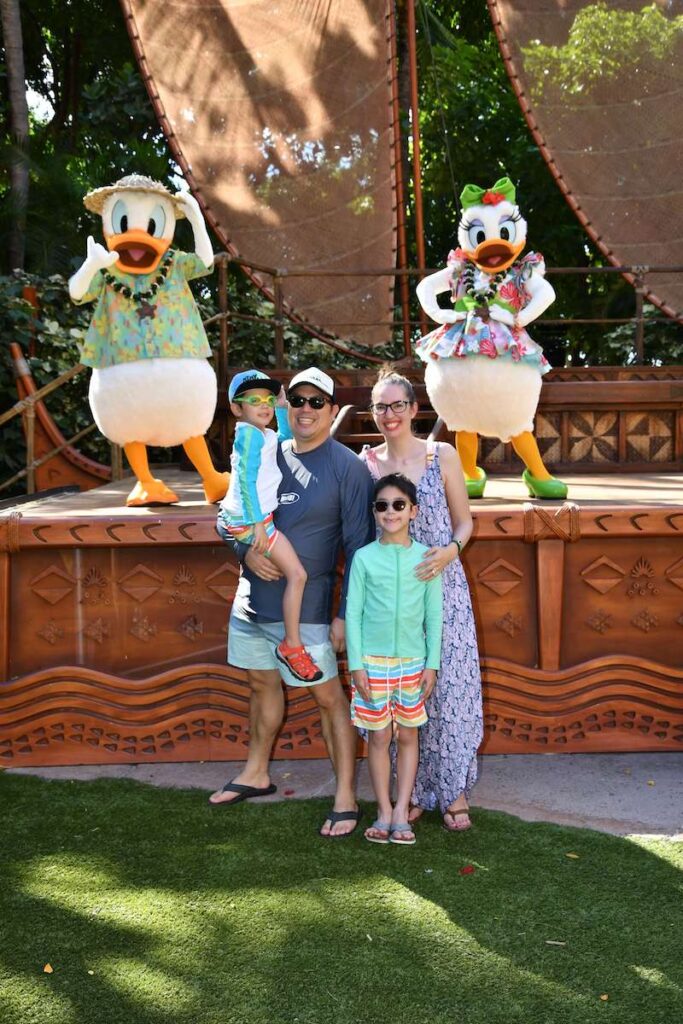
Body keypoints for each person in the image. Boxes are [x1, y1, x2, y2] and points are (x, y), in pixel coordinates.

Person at [210, 367, 375, 838]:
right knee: (261, 687)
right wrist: (244, 552)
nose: (306, 409)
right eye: (297, 400)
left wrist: (344, 613)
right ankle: (256, 773)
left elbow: (360, 549)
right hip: (251, 599)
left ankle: (345, 795)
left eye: (316, 402)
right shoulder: (263, 448)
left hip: (310, 609)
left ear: (332, 409)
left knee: (328, 699)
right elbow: (228, 516)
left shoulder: (348, 468)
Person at [359, 366, 483, 831]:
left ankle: (453, 792)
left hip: (443, 587)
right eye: (380, 407)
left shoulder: (441, 455)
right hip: (390, 601)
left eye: (397, 405)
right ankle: (405, 795)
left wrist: (450, 552)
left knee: (448, 689)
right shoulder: (365, 464)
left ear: (413, 409)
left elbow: (465, 523)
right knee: (396, 693)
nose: (389, 415)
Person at [347, 473, 442, 846]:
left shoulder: (427, 558)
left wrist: (431, 663)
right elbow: (353, 615)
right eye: (382, 505)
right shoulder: (364, 559)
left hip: (413, 665)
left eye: (398, 505)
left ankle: (402, 811)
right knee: (378, 736)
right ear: (375, 512)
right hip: (372, 663)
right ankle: (383, 811)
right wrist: (356, 665)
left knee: (407, 735)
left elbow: (434, 617)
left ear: (413, 511)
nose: (390, 512)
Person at [218, 369, 322, 683]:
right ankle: (292, 646)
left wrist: (279, 406)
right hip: (253, 522)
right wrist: (257, 528)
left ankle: (291, 644)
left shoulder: (263, 434)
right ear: (237, 408)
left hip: (254, 520)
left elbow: (287, 439)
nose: (263, 406)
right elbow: (247, 483)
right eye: (254, 401)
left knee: (296, 574)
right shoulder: (248, 435)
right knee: (297, 574)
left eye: (266, 399)